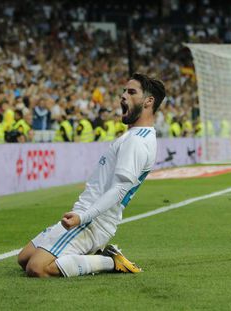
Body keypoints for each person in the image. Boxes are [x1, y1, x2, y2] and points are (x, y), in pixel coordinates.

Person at [17, 73, 166, 278]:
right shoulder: (133, 136)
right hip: (86, 212)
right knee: (24, 258)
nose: (123, 96)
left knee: (37, 268)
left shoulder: (137, 141)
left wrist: (83, 217)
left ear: (149, 101)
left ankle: (109, 261)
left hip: (95, 221)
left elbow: (119, 189)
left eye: (131, 92)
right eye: (124, 91)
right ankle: (93, 253)